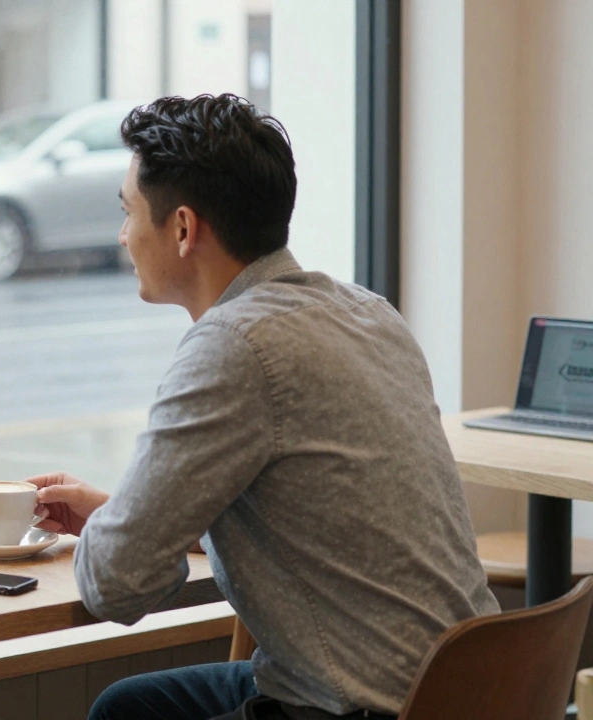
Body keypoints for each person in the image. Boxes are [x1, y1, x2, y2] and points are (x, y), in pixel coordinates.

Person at [25, 94, 499, 720]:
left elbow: (117, 585)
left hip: (362, 706)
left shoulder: (233, 345)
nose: (122, 235)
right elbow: (316, 505)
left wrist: (122, 540)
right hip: (473, 684)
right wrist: (125, 517)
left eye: (128, 212)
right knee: (130, 708)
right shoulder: (367, 312)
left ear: (184, 228)